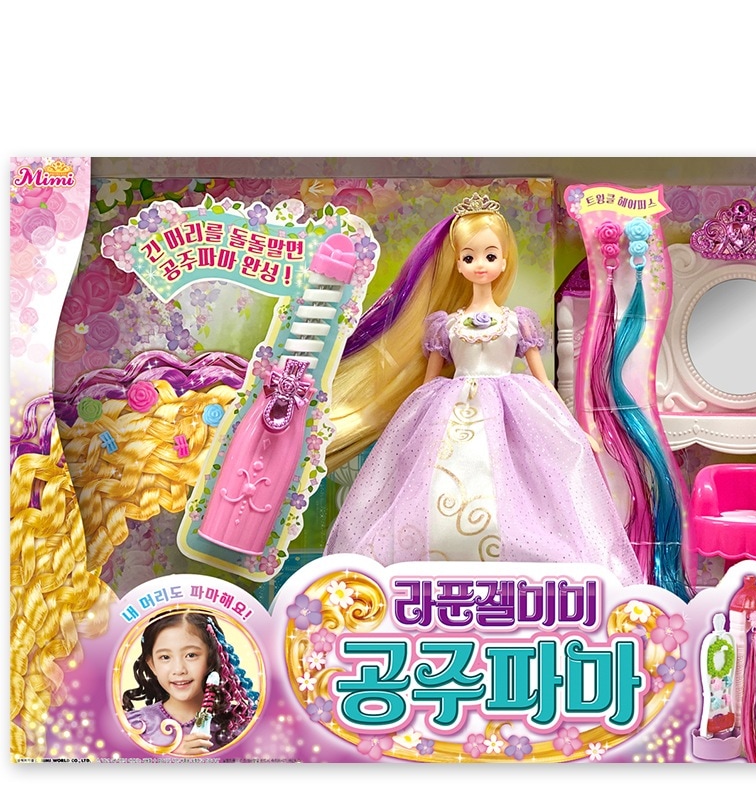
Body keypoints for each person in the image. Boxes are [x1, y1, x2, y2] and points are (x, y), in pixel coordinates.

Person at [324, 193, 644, 586]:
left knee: (523, 486)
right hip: (450, 411)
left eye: (490, 256)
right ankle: (433, 558)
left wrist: (575, 429)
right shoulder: (446, 324)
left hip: (512, 410)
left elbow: (542, 380)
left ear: (504, 261)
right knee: (442, 486)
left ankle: (521, 560)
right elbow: (429, 383)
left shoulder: (517, 321)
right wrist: (410, 428)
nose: (480, 264)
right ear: (458, 263)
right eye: (470, 256)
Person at [122, 608, 259, 756]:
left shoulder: (238, 726)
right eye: (165, 657)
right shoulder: (134, 727)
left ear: (212, 658)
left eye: (191, 655)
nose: (179, 669)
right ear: (152, 665)